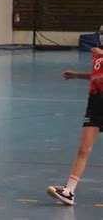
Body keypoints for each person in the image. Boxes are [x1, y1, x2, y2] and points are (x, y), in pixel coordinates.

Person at [47, 47, 103, 206]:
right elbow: (97, 76)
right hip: (95, 103)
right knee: (84, 148)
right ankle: (69, 191)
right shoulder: (98, 55)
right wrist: (77, 75)